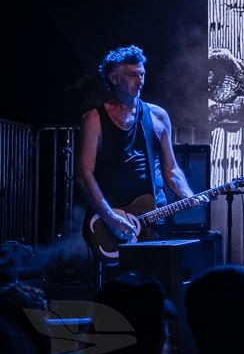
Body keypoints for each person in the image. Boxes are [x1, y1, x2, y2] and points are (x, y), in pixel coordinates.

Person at [76, 45, 203, 265]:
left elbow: (171, 169)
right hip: (112, 219)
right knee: (121, 282)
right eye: (132, 74)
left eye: (142, 74)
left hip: (153, 216)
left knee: (157, 276)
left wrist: (187, 195)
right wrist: (110, 217)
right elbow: (84, 175)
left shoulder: (157, 116)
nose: (140, 80)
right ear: (114, 78)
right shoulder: (94, 119)